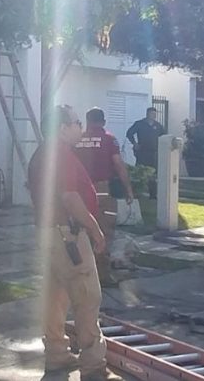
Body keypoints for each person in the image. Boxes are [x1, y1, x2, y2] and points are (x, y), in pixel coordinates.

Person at [28, 105, 120, 381]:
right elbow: (70, 197)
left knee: (55, 297)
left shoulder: (41, 154)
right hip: (68, 234)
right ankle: (93, 367)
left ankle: (57, 355)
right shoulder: (61, 154)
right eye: (76, 122)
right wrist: (95, 230)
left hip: (49, 233)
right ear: (62, 128)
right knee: (87, 296)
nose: (80, 127)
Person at [74, 107, 136, 285]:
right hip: (102, 190)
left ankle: (82, 272)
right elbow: (118, 164)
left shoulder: (77, 140)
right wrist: (128, 190)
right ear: (103, 121)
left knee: (82, 230)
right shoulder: (109, 139)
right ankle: (101, 274)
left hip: (80, 191)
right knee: (104, 231)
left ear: (87, 121)